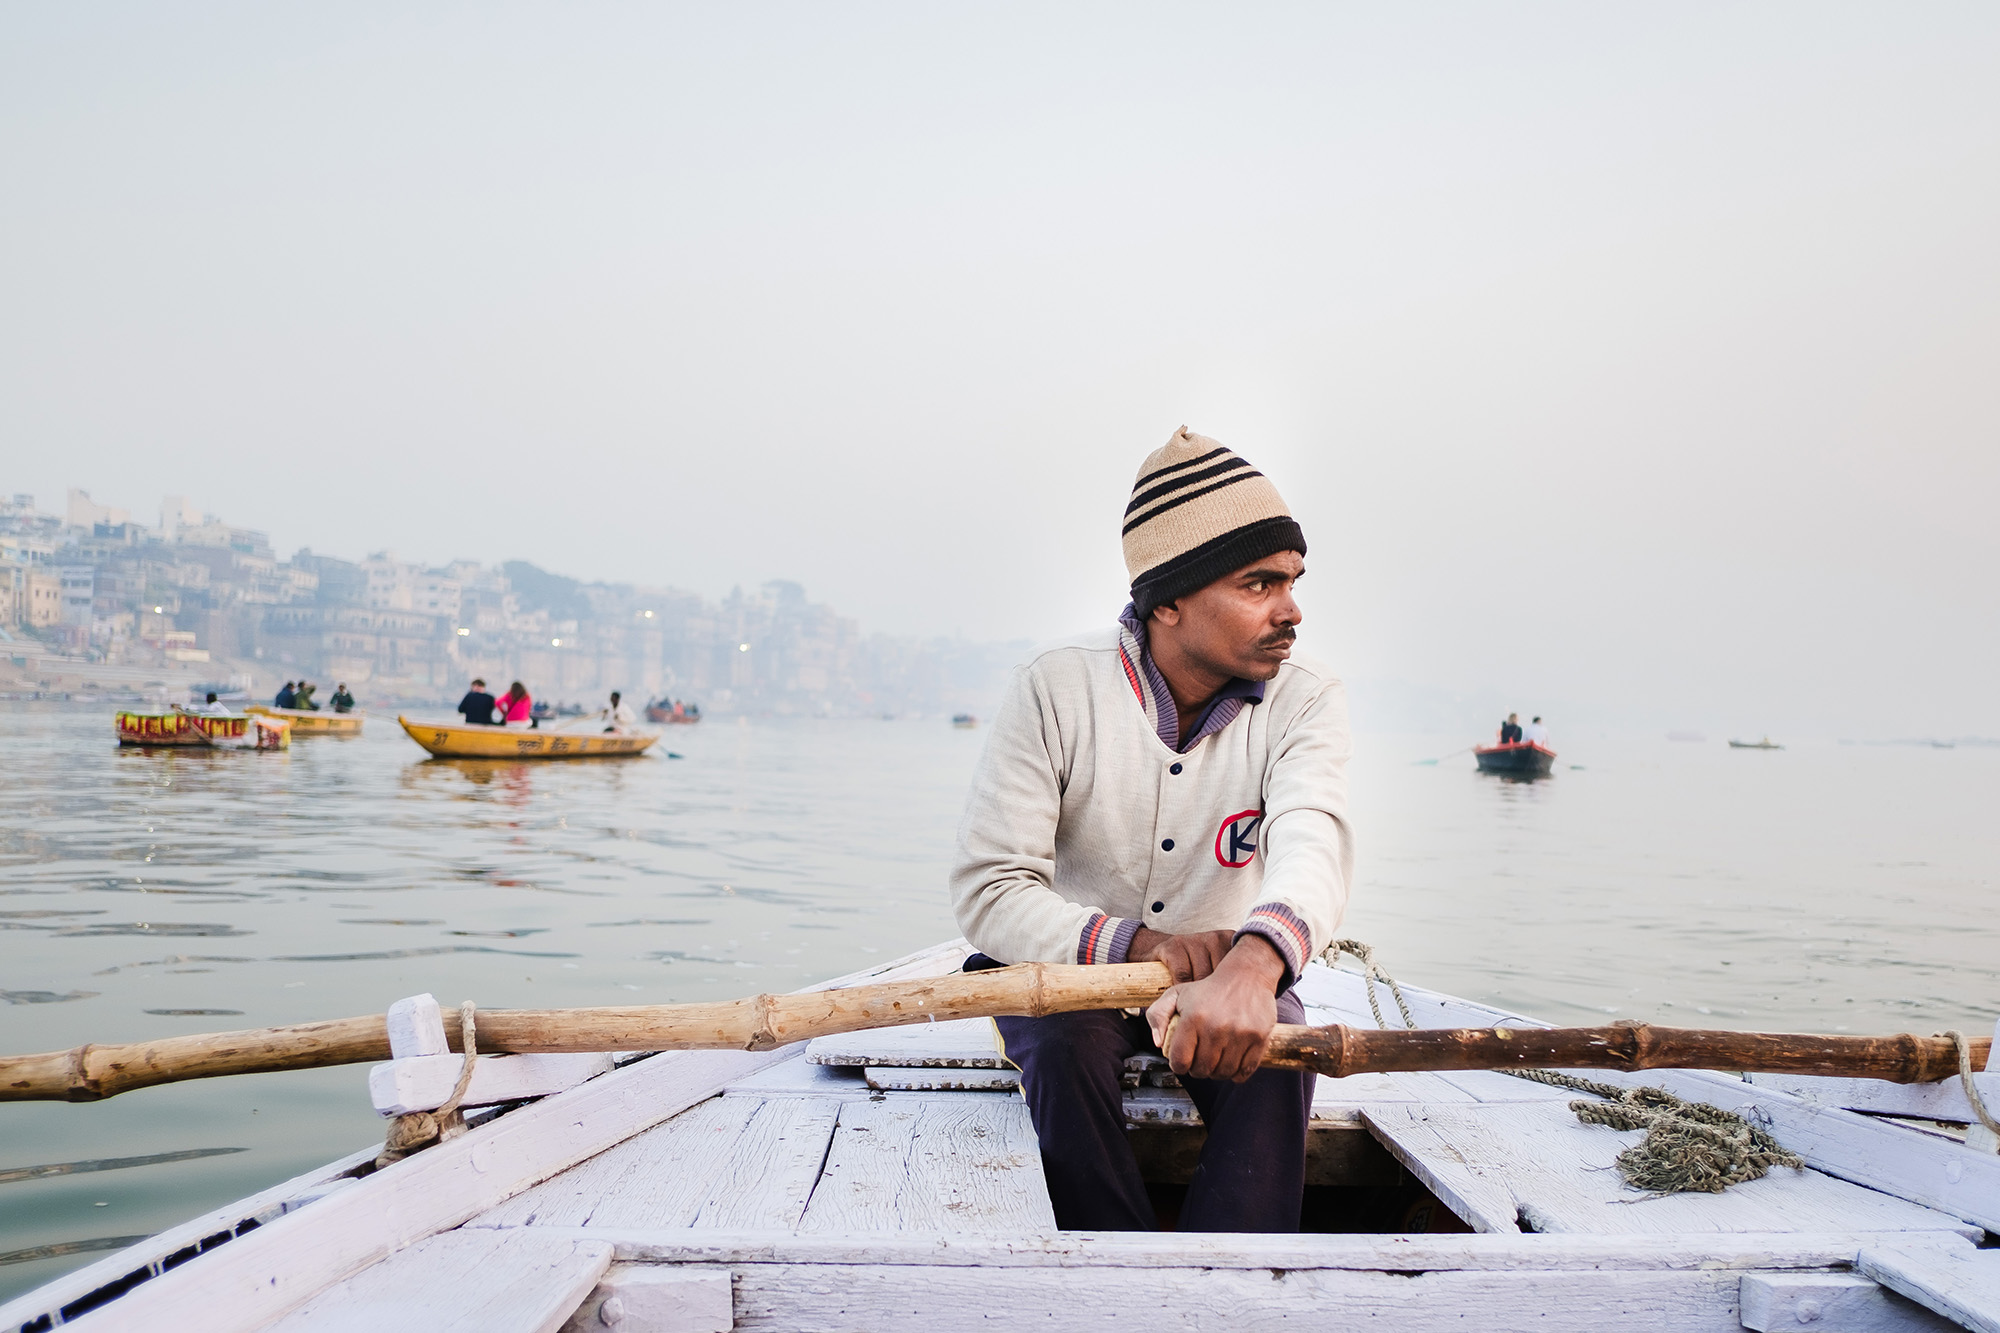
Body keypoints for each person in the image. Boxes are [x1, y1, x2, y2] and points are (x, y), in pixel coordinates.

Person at [952, 426, 1350, 1233]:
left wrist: (1254, 961)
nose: (1292, 609)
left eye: (1293, 581)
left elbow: (1316, 840)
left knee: (1277, 1054)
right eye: (1259, 583)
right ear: (1167, 600)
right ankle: (1111, 1279)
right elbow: (992, 888)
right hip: (1063, 972)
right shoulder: (1057, 686)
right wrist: (1139, 948)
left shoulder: (1305, 699)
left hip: (1227, 971)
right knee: (1064, 1051)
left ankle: (1235, 1289)